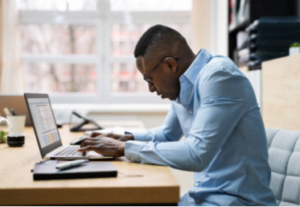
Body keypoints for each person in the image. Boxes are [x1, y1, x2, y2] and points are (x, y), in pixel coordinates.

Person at [78, 25, 276, 206]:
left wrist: (125, 148)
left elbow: (196, 154)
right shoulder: (183, 87)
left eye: (150, 79)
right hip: (202, 198)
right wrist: (126, 138)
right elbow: (167, 134)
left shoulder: (219, 77)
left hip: (238, 202)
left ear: (170, 65)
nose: (150, 88)